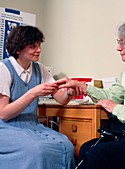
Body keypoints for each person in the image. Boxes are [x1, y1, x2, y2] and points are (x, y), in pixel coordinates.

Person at [56, 19, 125, 169]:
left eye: (122, 43)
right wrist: (83, 87)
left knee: (98, 155)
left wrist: (115, 108)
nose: (118, 48)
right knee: (86, 148)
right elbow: (113, 96)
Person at [0, 25, 76, 169]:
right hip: (6, 127)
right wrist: (33, 92)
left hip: (32, 125)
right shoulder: (3, 69)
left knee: (67, 146)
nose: (39, 50)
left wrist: (69, 92)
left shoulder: (39, 68)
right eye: (33, 46)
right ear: (18, 49)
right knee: (37, 150)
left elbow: (61, 99)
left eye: (39, 45)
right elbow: (3, 114)